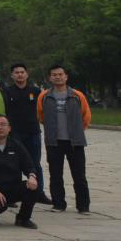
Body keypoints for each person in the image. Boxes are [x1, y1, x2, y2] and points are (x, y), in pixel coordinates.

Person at [37, 64, 91, 214]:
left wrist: (77, 130)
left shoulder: (77, 95)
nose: (58, 77)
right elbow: (41, 115)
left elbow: (86, 116)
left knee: (79, 175)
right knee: (55, 175)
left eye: (60, 74)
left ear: (66, 77)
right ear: (50, 78)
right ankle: (59, 204)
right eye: (54, 75)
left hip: (75, 142)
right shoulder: (44, 96)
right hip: (54, 142)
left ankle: (83, 206)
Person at [2, 62, 48, 203]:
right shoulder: (7, 92)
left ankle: (39, 193)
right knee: (13, 164)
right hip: (14, 133)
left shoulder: (36, 91)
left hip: (33, 132)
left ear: (27, 74)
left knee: (35, 163)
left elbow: (42, 110)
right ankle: (13, 195)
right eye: (16, 72)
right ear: (12, 75)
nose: (20, 75)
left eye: (22, 72)